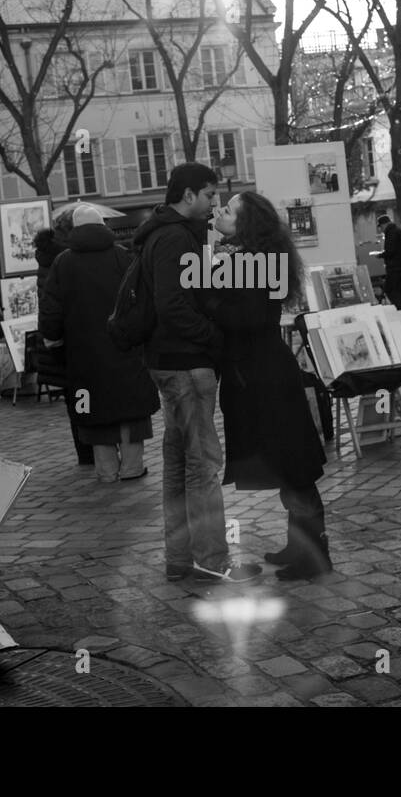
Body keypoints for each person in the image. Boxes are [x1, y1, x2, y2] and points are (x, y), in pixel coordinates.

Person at [134, 162, 258, 584]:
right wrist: (213, 338)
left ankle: (181, 556)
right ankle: (210, 557)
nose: (212, 205)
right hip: (185, 363)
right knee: (203, 463)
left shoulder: (162, 232)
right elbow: (173, 305)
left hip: (169, 362)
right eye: (208, 196)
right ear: (187, 195)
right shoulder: (174, 237)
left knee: (180, 461)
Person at [204, 192, 331, 581]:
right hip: (259, 374)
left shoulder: (254, 263)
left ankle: (315, 555)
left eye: (228, 210)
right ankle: (300, 545)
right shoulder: (246, 258)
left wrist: (209, 298)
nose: (219, 212)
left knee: (294, 468)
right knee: (287, 466)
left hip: (265, 378)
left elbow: (246, 318)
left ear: (247, 224)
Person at [39, 205, 159, 484]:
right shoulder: (122, 256)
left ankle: (106, 470)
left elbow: (51, 311)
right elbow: (141, 299)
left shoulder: (63, 263)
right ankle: (132, 467)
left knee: (93, 412)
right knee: (131, 409)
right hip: (125, 347)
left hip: (83, 354)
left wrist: (53, 340)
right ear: (102, 225)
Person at [35, 222, 95, 467]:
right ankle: (90, 447)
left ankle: (84, 450)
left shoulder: (44, 260)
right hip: (74, 340)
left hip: (59, 342)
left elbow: (48, 310)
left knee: (76, 398)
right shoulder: (63, 260)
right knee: (84, 394)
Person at [372, 214, 401, 315]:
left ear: (384, 224)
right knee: (397, 290)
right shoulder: (398, 231)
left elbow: (390, 251)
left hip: (394, 267)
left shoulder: (391, 233)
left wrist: (380, 255)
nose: (381, 230)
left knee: (389, 290)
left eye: (381, 227)